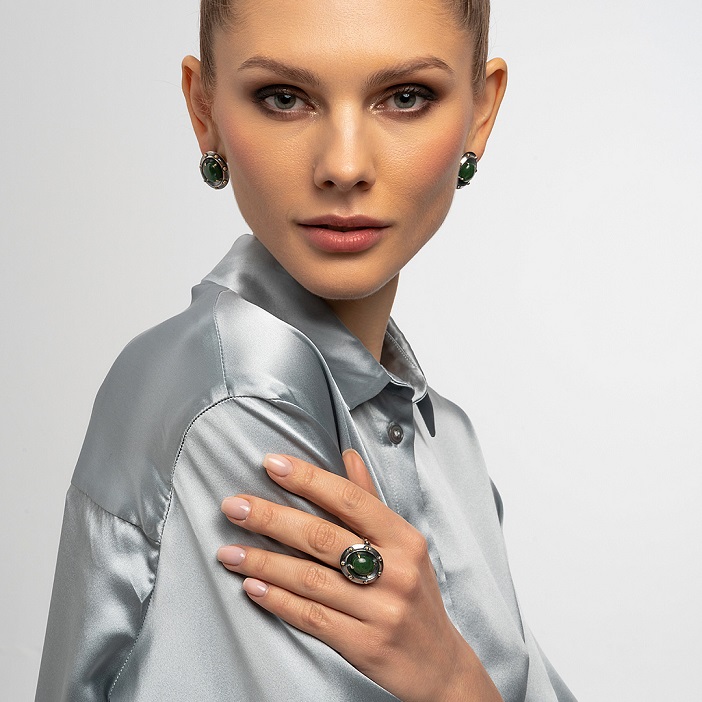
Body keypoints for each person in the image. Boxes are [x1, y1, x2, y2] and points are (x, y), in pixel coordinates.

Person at [35, 0, 576, 700]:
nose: (344, 166)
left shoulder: (449, 441)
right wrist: (454, 683)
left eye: (405, 97)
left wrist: (453, 677)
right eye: (284, 98)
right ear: (204, 111)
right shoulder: (236, 406)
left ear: (481, 112)